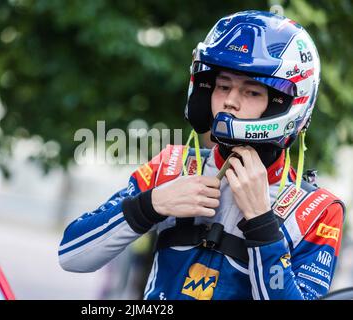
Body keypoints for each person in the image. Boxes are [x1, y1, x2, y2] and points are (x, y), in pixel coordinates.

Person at [58, 10, 345, 300]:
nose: (230, 101)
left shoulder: (318, 210)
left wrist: (261, 224)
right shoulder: (173, 165)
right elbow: (71, 255)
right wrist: (152, 204)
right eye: (223, 86)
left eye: (251, 92)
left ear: (284, 103)